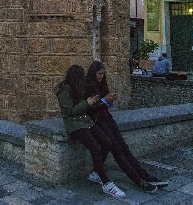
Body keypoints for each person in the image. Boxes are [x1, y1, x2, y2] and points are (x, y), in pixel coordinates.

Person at [85, 61, 167, 192]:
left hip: (107, 118)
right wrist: (105, 101)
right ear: (93, 73)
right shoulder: (88, 85)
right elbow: (90, 109)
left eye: (102, 74)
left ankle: (145, 176)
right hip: (97, 121)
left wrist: (109, 101)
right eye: (99, 74)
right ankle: (138, 181)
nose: (101, 76)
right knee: (117, 150)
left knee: (124, 148)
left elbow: (104, 105)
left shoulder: (102, 84)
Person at [55, 65, 126, 198]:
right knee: (95, 148)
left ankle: (95, 173)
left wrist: (99, 101)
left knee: (106, 143)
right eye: (80, 77)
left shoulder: (78, 87)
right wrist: (87, 103)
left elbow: (86, 107)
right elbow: (69, 112)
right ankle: (106, 184)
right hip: (74, 124)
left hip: (86, 121)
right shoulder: (63, 90)